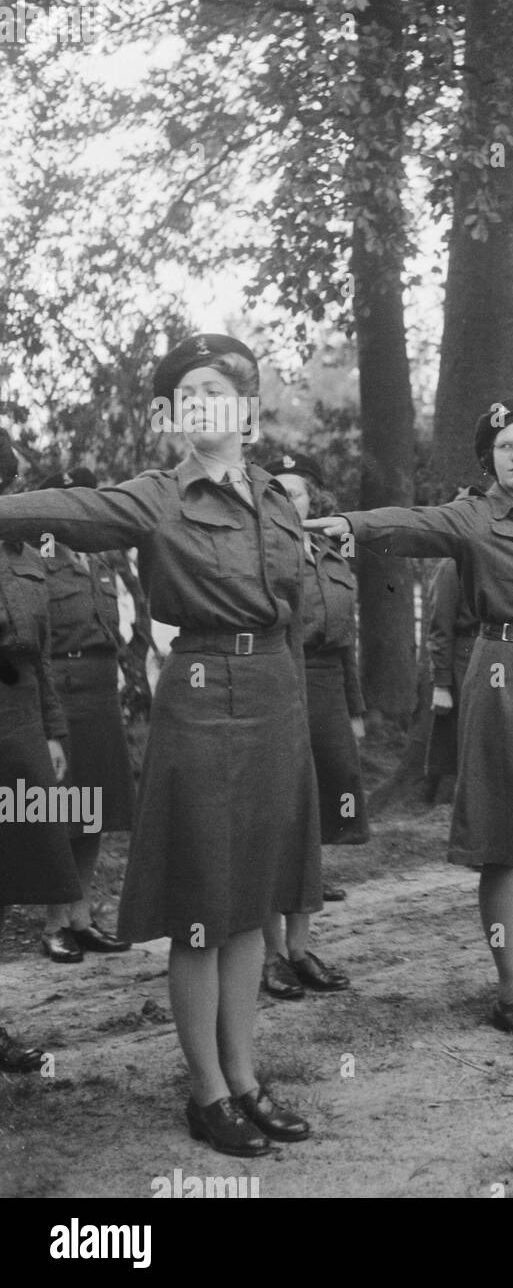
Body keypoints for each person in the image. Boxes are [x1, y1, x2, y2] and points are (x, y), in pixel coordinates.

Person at [0, 337, 318, 1155]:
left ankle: (245, 1076)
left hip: (278, 689)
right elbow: (54, 510)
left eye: (221, 391)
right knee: (202, 905)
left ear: (246, 411)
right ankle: (206, 1091)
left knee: (253, 899)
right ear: (176, 417)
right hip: (205, 693)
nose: (206, 405)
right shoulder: (152, 497)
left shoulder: (280, 500)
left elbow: (300, 597)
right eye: (190, 394)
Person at [309, 402, 513, 1043]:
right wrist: (351, 525)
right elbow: (414, 523)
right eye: (505, 448)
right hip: (504, 674)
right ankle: (510, 991)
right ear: (491, 460)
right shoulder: (474, 515)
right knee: (506, 841)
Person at [259, 452, 366, 1000]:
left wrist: (353, 708)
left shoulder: (332, 555)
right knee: (279, 816)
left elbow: (346, 641)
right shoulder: (262, 553)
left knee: (317, 816)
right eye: (276, 493)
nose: (288, 501)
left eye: (296, 493)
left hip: (325, 688)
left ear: (314, 502)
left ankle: (301, 948)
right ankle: (270, 953)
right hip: (279, 682)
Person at [0, 430, 80, 1071]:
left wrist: (53, 732)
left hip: (20, 723)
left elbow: (46, 655)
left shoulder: (24, 550)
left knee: (13, 868)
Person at [34, 469, 136, 964]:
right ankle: (54, 924)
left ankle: (82, 917)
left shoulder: (100, 560)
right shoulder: (38, 559)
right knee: (62, 814)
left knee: (93, 810)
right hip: (61, 692)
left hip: (100, 692)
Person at [423, 490, 480, 804]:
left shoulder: (490, 560)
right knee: (467, 748)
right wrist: (442, 685)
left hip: (494, 655)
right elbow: (440, 630)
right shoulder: (451, 567)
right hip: (465, 659)